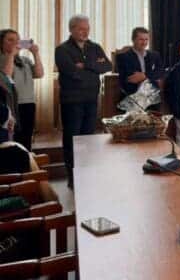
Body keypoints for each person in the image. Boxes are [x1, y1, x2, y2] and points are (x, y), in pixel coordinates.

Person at [55, 15, 111, 188]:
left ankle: (86, 174)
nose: (85, 32)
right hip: (72, 100)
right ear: (71, 29)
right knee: (72, 139)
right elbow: (72, 73)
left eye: (87, 29)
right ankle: (73, 177)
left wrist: (85, 65)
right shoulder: (62, 49)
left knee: (88, 138)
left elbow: (107, 66)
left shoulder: (95, 47)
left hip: (91, 99)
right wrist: (93, 68)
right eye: (81, 29)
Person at [0, 29, 44, 150]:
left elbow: (39, 74)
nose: (15, 43)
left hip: (28, 102)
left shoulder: (25, 60)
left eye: (17, 40)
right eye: (10, 40)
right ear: (1, 43)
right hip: (11, 105)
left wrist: (35, 54)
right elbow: (6, 77)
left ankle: (26, 159)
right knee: (13, 139)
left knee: (26, 137)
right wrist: (11, 55)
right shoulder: (2, 59)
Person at [116, 27, 164, 96]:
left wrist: (145, 75)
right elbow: (130, 78)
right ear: (133, 40)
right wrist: (152, 75)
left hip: (152, 94)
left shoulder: (155, 55)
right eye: (141, 39)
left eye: (146, 39)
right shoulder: (123, 57)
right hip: (132, 94)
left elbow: (161, 72)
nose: (144, 42)